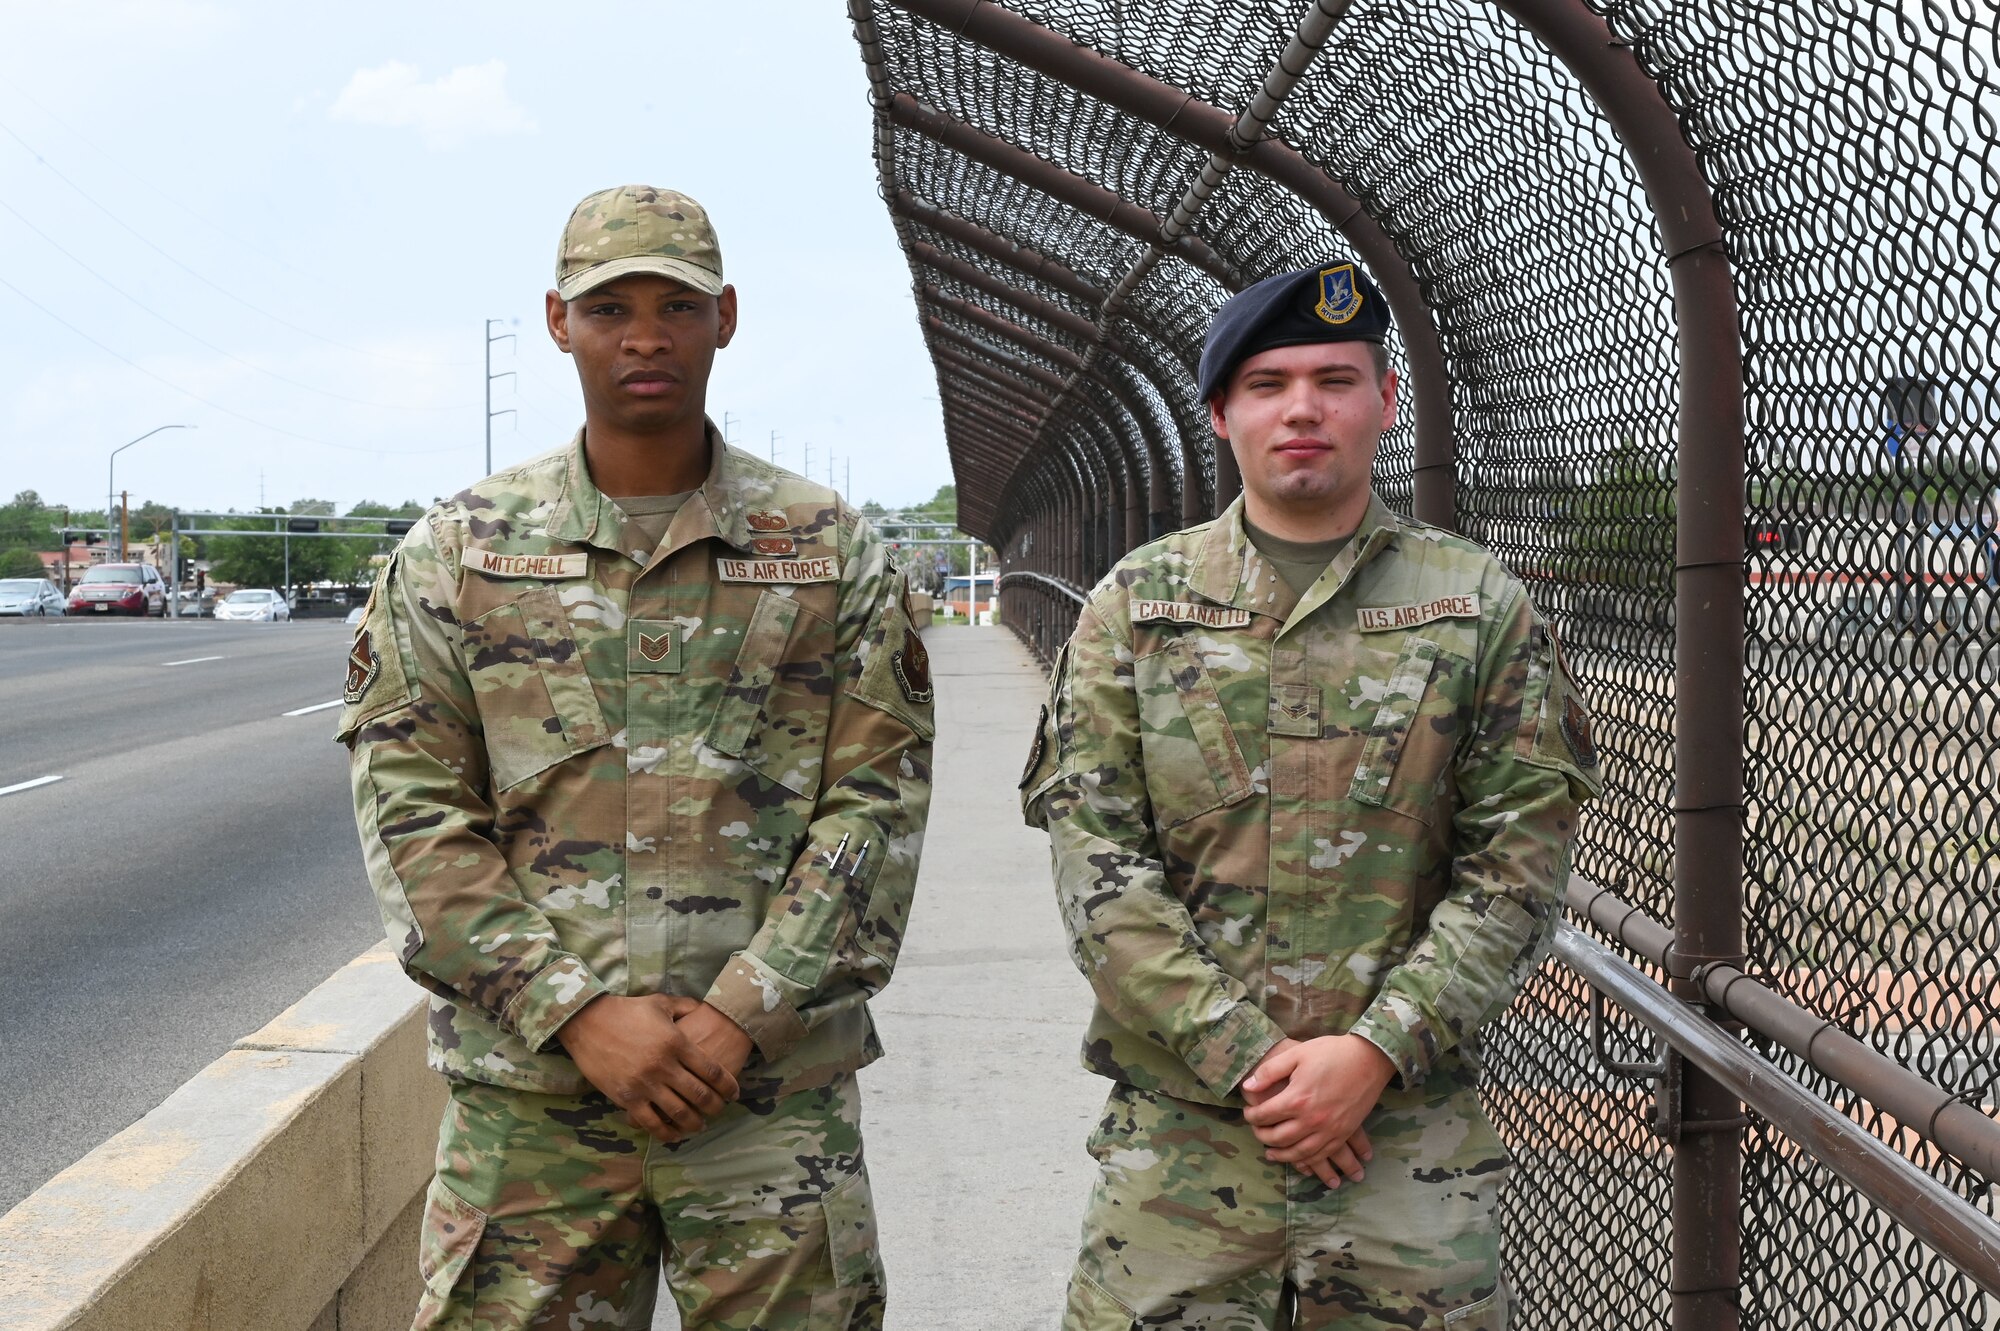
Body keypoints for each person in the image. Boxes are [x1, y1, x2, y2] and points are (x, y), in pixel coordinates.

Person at [339, 184, 936, 1331]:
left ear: (727, 319)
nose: (646, 336)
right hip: (536, 1104)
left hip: (764, 1101)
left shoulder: (824, 547)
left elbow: (876, 806)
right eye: (610, 306)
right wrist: (573, 1011)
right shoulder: (460, 552)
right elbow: (412, 817)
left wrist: (737, 1014)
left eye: (678, 304)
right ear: (558, 321)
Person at [1021, 262, 1600, 1330]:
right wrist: (1256, 1063)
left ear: (1383, 402)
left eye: (1334, 378)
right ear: (1218, 413)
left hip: (1402, 1147)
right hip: (1182, 1153)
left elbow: (1516, 865)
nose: (1300, 407)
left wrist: (1372, 1049)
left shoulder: (1474, 603)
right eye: (1268, 382)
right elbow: (1097, 872)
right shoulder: (1134, 609)